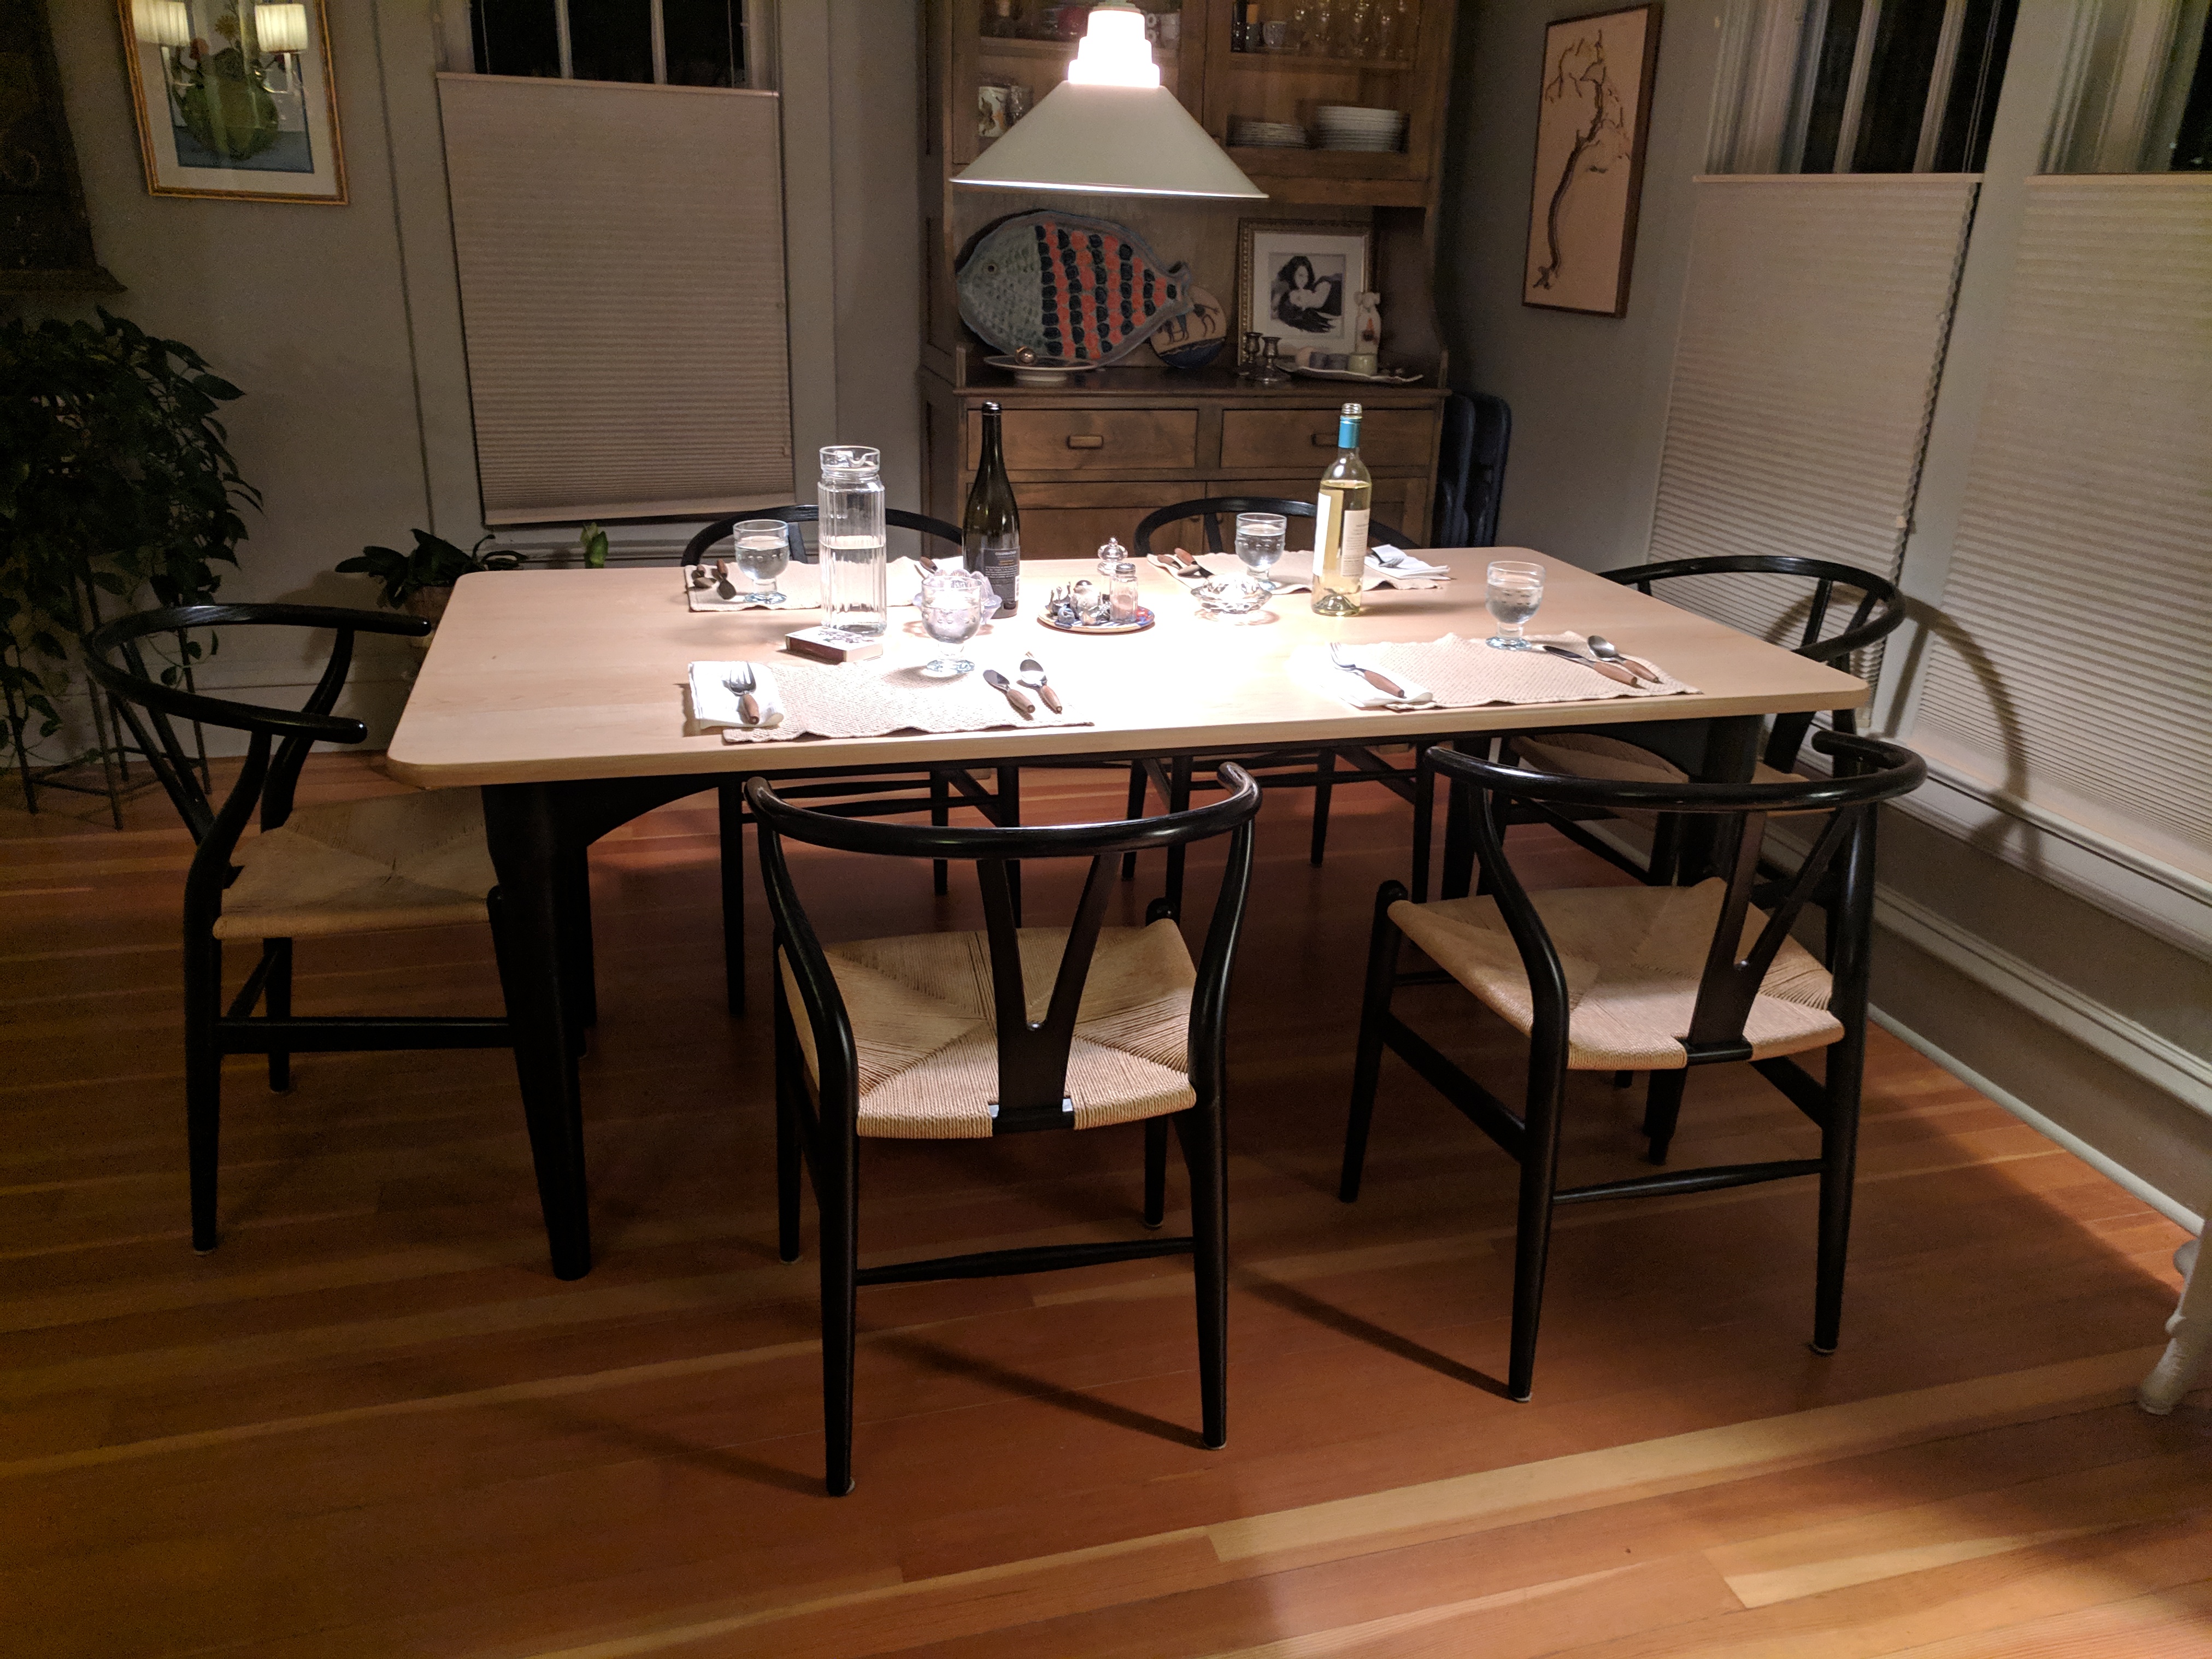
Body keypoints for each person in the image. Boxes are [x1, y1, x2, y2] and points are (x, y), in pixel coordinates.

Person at [1272, 256, 1340, 334]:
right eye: (1299, 298)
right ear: (1303, 308)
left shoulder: (1322, 285)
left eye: (1306, 276)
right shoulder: (1321, 310)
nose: (1304, 281)